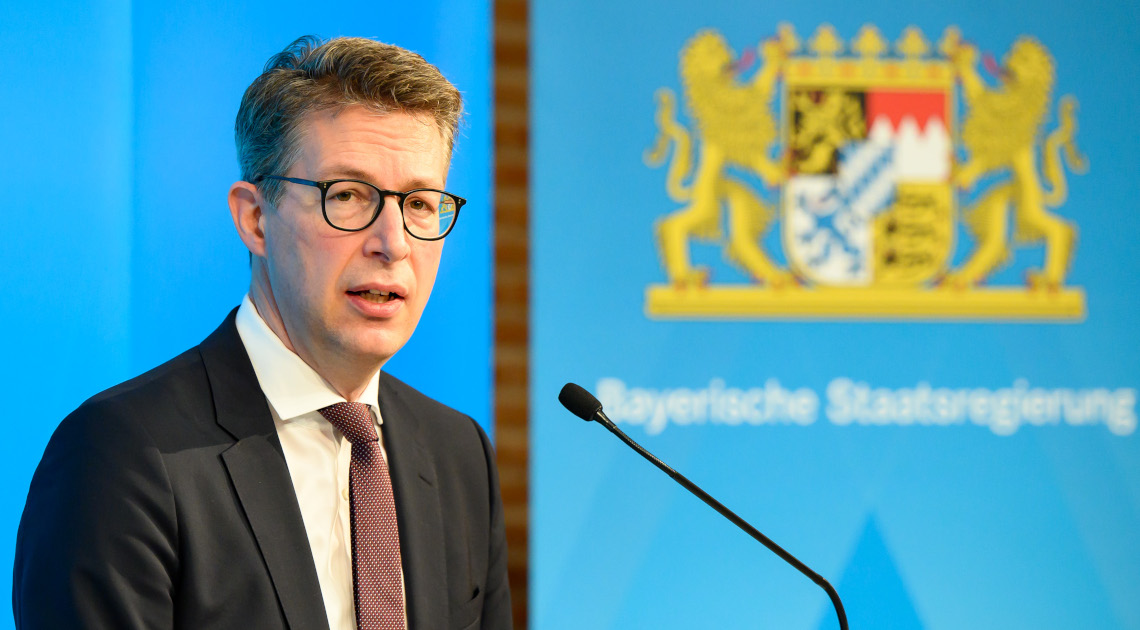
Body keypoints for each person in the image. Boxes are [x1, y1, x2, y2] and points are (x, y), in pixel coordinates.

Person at [13, 35, 511, 630]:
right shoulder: (121, 455)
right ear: (255, 219)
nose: (394, 243)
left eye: (421, 204)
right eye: (348, 196)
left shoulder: (459, 455)